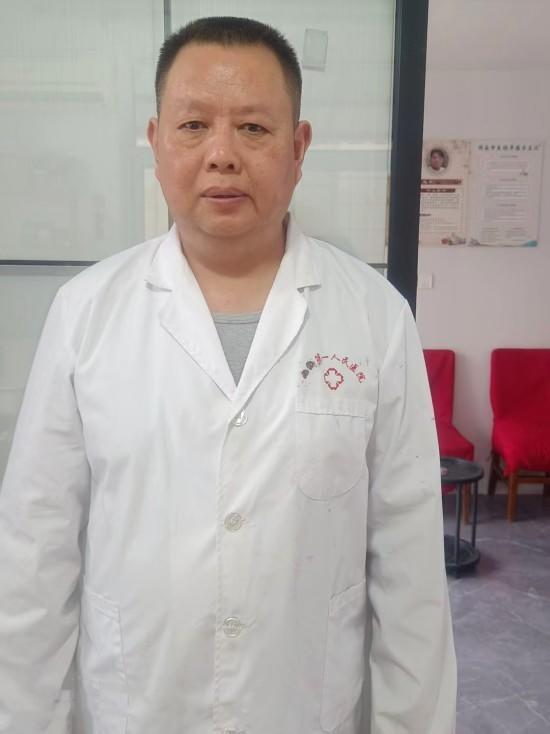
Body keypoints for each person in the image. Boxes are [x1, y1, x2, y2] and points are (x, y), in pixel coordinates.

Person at [0, 16, 456, 734]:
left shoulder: (375, 317)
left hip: (304, 711)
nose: (222, 155)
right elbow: (35, 554)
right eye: (194, 126)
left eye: (253, 128)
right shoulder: (85, 314)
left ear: (298, 149)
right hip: (134, 709)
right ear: (157, 142)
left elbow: (411, 573)